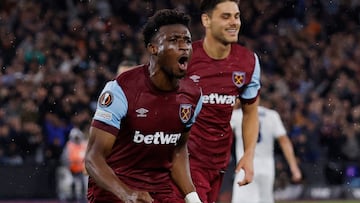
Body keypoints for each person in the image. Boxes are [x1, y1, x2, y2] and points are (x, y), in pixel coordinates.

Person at [84, 9, 203, 203]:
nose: (184, 47)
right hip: (114, 190)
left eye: (187, 41)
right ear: (153, 48)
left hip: (160, 191)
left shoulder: (193, 96)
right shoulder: (121, 90)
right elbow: (93, 157)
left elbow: (178, 149)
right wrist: (126, 193)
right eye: (174, 40)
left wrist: (192, 198)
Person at [174, 0, 261, 202]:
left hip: (219, 161)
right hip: (187, 160)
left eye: (236, 16)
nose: (234, 22)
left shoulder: (249, 62)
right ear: (206, 20)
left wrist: (248, 155)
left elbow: (251, 112)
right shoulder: (185, 58)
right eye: (225, 16)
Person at [231, 99, 302, 203]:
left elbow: (222, 129)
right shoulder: (271, 115)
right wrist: (294, 168)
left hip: (245, 165)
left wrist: (234, 106)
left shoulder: (238, 115)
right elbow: (284, 141)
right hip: (267, 167)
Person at [60, 127, 88, 202]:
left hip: (82, 171)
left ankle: (84, 199)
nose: (77, 139)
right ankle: (70, 199)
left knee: (84, 184)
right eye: (75, 137)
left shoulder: (84, 145)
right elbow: (64, 159)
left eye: (78, 137)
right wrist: (69, 165)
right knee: (69, 183)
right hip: (71, 170)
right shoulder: (69, 145)